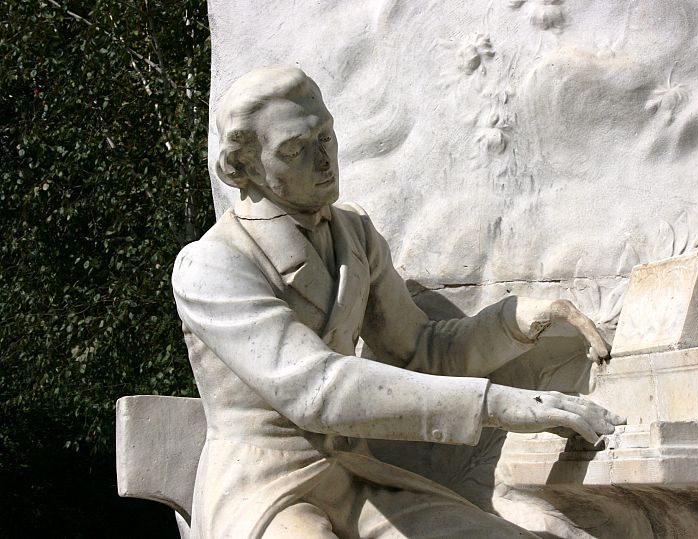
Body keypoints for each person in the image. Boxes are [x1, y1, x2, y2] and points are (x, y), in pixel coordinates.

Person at [172, 65, 625, 538]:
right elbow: (318, 390)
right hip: (262, 491)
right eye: (295, 150)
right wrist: (496, 404)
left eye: (326, 137)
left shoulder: (354, 232)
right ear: (243, 166)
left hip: (354, 478)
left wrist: (514, 322)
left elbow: (420, 349)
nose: (324, 160)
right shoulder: (212, 265)